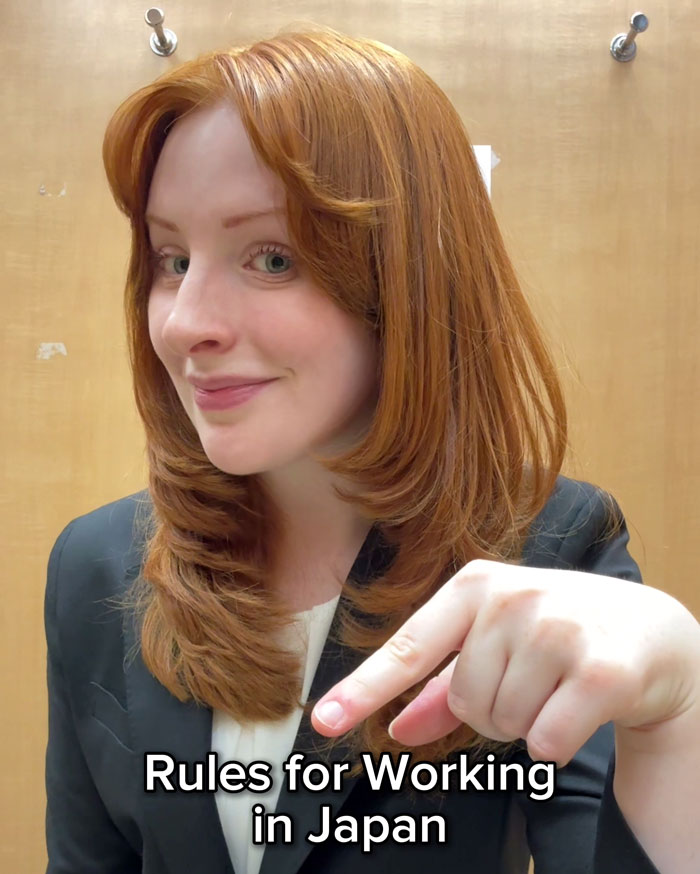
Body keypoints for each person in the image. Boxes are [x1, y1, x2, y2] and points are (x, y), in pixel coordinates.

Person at [44, 24, 700, 874]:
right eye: (172, 259)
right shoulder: (94, 565)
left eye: (271, 258)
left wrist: (676, 722)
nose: (184, 322)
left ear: (404, 276)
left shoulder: (551, 550)